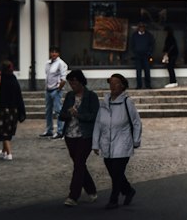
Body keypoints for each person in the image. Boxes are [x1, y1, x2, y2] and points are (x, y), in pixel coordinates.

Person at [93, 72, 142, 208]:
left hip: (123, 143)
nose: (113, 86)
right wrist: (95, 143)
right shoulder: (104, 103)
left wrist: (136, 140)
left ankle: (113, 199)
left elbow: (136, 122)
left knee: (117, 172)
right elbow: (98, 123)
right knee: (113, 171)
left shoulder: (127, 102)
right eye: (111, 83)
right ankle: (128, 190)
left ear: (122, 86)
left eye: (116, 83)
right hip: (107, 144)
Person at [59, 69, 101, 207]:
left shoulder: (91, 96)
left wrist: (79, 115)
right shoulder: (70, 96)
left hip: (85, 135)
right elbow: (62, 115)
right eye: (71, 83)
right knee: (79, 164)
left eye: (75, 83)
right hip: (70, 135)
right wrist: (68, 114)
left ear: (81, 82)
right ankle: (91, 190)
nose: (73, 86)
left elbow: (95, 116)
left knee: (79, 163)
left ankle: (73, 196)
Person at [0, 60, 27, 160]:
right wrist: (21, 110)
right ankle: (4, 151)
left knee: (3, 132)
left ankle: (9, 153)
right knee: (7, 132)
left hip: (2, 110)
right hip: (13, 110)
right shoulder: (14, 79)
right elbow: (19, 96)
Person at [43, 45, 69, 138]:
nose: (53, 53)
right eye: (52, 52)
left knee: (58, 111)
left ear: (58, 53)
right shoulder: (48, 63)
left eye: (55, 52)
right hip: (48, 90)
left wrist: (58, 89)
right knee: (48, 111)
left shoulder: (61, 63)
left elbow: (63, 79)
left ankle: (60, 131)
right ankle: (49, 130)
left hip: (56, 90)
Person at [129, 22, 155, 90]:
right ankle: (139, 85)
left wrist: (149, 53)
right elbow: (132, 45)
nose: (141, 28)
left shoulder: (148, 35)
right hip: (137, 56)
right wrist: (134, 53)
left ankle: (148, 85)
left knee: (147, 70)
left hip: (146, 56)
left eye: (142, 27)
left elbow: (152, 45)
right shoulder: (134, 35)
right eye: (140, 27)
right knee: (138, 71)